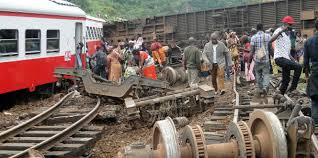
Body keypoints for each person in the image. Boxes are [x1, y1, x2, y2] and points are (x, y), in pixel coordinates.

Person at [270, 16, 302, 95]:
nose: (291, 27)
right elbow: (271, 40)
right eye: (289, 25)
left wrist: (294, 60)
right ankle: (293, 88)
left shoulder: (287, 37)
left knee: (286, 80)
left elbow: (287, 53)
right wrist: (281, 31)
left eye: (291, 25)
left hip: (285, 58)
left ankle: (281, 94)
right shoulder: (279, 31)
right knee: (298, 67)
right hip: (280, 58)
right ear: (285, 24)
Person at [250, 23, 272, 95]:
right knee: (266, 74)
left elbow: (252, 51)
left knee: (258, 74)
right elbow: (270, 48)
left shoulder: (253, 37)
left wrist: (249, 61)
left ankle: (260, 88)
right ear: (263, 28)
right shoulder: (268, 36)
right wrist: (273, 56)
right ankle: (265, 87)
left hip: (257, 59)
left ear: (256, 29)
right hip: (266, 59)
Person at [304, 18, 318, 124]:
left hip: (315, 72)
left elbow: (305, 61)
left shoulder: (309, 41)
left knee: (314, 100)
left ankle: (315, 124)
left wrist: (307, 74)